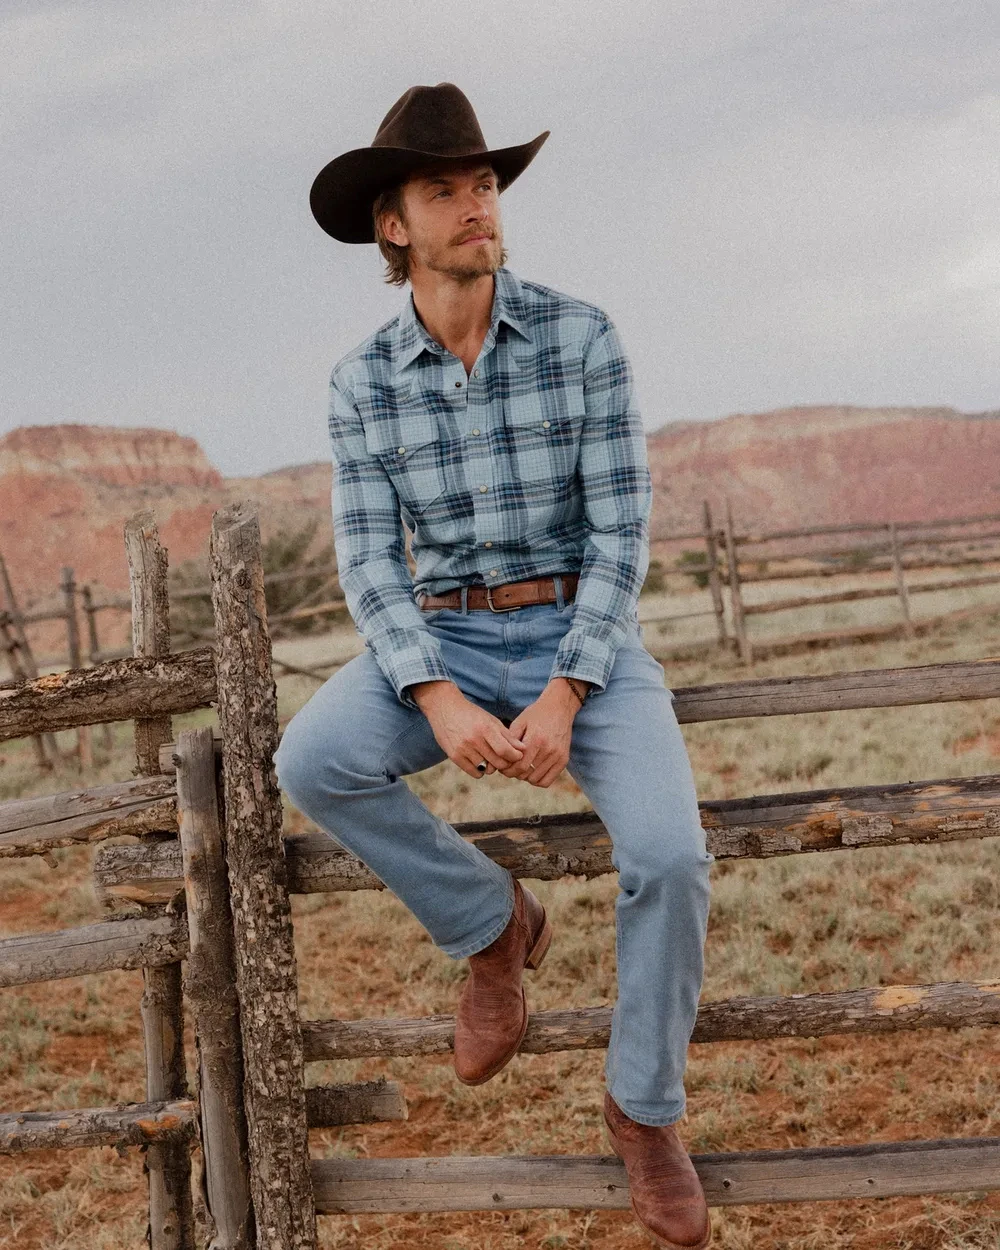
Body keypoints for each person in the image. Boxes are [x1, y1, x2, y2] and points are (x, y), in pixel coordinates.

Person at [275, 82, 714, 1249]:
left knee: (669, 853)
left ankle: (643, 1108)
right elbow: (369, 562)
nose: (476, 206)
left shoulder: (582, 335)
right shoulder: (361, 383)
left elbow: (622, 535)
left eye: (484, 184)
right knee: (312, 757)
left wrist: (568, 688)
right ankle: (489, 925)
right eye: (444, 190)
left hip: (584, 631)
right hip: (447, 633)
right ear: (395, 225)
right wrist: (435, 692)